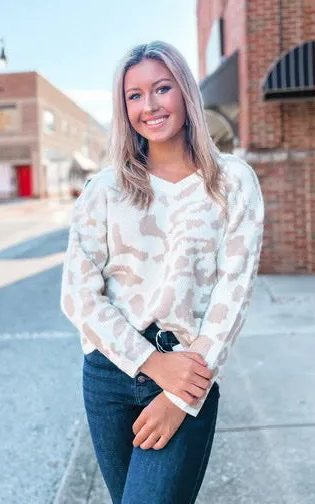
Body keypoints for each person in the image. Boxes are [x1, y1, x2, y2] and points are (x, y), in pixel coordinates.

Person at [60, 41, 264, 504]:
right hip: (109, 374)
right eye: (134, 95)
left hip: (189, 370)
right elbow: (79, 294)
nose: (148, 105)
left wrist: (180, 396)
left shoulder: (232, 182)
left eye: (161, 88)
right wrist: (150, 363)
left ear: (185, 93)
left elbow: (233, 294)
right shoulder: (105, 188)